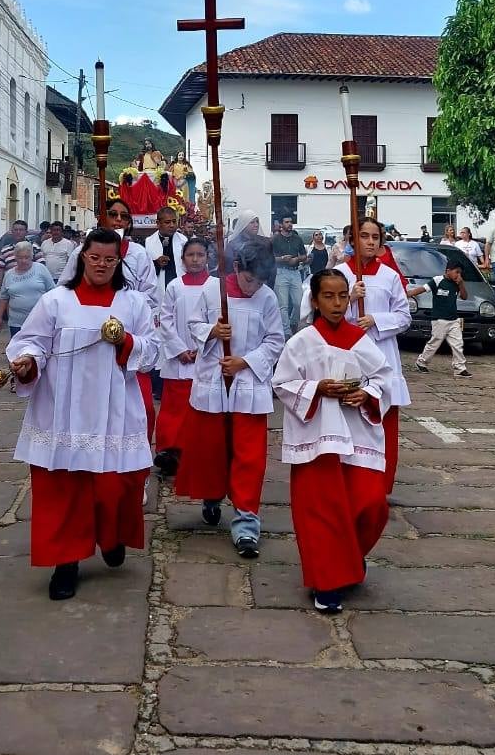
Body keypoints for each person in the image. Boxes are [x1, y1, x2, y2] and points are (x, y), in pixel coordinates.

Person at [7, 228, 158, 600]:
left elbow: (152, 350)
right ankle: (66, 562)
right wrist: (27, 362)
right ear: (82, 258)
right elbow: (33, 342)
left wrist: (126, 341)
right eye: (95, 258)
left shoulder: (133, 303)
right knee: (64, 489)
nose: (101, 265)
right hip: (64, 410)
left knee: (114, 486)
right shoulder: (56, 301)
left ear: (119, 262)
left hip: (114, 410)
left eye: (110, 259)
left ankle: (111, 537)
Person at [273, 269, 390, 614]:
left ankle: (350, 558)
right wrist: (317, 388)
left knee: (371, 504)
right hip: (318, 439)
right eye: (328, 296)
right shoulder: (302, 342)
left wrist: (366, 393)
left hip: (357, 435)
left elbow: (384, 379)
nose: (337, 303)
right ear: (314, 301)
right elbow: (282, 384)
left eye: (342, 296)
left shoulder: (359, 339)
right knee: (322, 514)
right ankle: (327, 583)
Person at [175, 241, 285, 558]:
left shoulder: (267, 297)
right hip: (214, 378)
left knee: (249, 456)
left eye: (260, 282)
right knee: (212, 449)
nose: (253, 288)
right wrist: (212, 332)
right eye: (249, 280)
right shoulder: (213, 290)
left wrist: (244, 361)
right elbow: (193, 324)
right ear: (236, 268)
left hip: (248, 383)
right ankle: (212, 496)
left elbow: (275, 340)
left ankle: (246, 522)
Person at [60, 198, 160, 440]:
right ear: (102, 218)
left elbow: (151, 294)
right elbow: (65, 289)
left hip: (126, 339)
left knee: (142, 410)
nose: (118, 220)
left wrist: (125, 306)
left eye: (124, 216)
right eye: (113, 214)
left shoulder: (139, 254)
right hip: (87, 339)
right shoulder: (80, 253)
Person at [336, 218, 411, 494]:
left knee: (384, 424)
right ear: (353, 240)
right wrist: (350, 298)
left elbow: (404, 317)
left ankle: (379, 488)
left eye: (375, 237)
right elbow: (320, 315)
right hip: (349, 356)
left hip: (382, 355)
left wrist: (376, 320)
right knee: (348, 423)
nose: (369, 242)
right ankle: (349, 484)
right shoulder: (338, 274)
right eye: (364, 236)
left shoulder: (389, 276)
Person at [154, 236, 218, 476]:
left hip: (207, 355)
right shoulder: (174, 286)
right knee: (174, 409)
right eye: (190, 255)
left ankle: (198, 452)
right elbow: (166, 319)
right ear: (182, 259)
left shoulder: (216, 286)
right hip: (179, 358)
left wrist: (203, 348)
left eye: (200, 255)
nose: (195, 259)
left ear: (208, 258)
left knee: (201, 409)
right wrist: (179, 349)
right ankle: (171, 451)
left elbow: (219, 320)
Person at [410, 260, 472, 378]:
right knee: (435, 342)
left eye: (460, 273)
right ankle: (421, 362)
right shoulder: (438, 280)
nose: (458, 275)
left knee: (458, 344)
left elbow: (464, 297)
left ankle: (460, 368)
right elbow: (423, 289)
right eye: (456, 272)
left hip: (454, 319)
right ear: (448, 271)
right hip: (439, 319)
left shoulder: (457, 283)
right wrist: (408, 294)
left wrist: (461, 284)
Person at [0, 240, 55, 336]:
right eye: (20, 257)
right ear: (15, 257)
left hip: (40, 320)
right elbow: (3, 298)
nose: (23, 261)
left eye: (26, 257)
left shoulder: (41, 269)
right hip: (16, 322)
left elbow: (52, 292)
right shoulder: (9, 274)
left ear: (31, 257)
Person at [273, 216, 308, 337]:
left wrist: (297, 259)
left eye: (291, 222)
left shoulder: (297, 239)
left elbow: (304, 255)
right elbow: (269, 257)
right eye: (286, 222)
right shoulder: (275, 239)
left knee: (299, 303)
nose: (289, 224)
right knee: (283, 305)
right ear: (281, 224)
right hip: (281, 272)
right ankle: (286, 332)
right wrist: (282, 259)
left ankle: (293, 323)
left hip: (295, 272)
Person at [225, 210, 276, 287]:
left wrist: (269, 285)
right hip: (240, 285)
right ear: (243, 224)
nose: (256, 225)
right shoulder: (233, 244)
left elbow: (272, 267)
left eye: (257, 222)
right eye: (252, 222)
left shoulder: (265, 242)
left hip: (262, 285)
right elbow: (229, 267)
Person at [145, 207, 188, 299]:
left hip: (180, 289)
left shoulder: (183, 241)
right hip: (158, 291)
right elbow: (144, 271)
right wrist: (156, 264)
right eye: (167, 222)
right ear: (158, 223)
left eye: (174, 221)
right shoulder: (148, 243)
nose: (172, 225)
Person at [0, 220, 45, 287]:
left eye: (21, 230)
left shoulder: (34, 247)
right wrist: (0, 288)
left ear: (26, 232)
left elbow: (41, 266)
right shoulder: (5, 249)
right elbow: (0, 269)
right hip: (11, 286)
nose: (18, 232)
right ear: (12, 232)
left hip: (30, 286)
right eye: (16, 230)